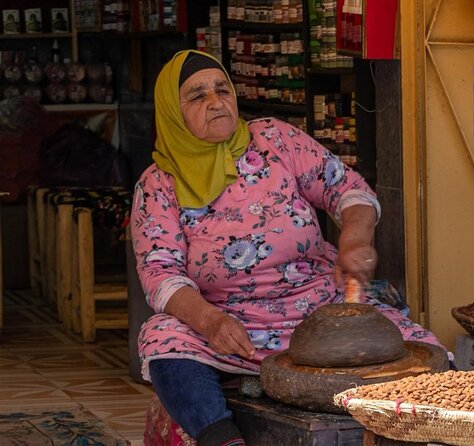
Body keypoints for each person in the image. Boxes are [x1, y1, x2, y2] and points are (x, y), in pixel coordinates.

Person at [132, 50, 448, 446]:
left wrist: (354, 237)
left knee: (427, 353)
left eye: (222, 89)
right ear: (173, 114)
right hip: (228, 321)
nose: (216, 101)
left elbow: (347, 188)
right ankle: (222, 438)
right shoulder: (158, 184)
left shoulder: (274, 139)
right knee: (163, 338)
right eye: (197, 96)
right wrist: (211, 322)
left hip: (317, 306)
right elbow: (160, 274)